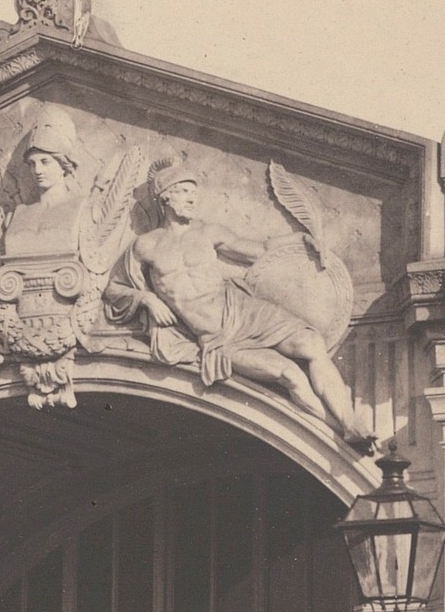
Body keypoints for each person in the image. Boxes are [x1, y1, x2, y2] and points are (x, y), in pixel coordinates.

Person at [111, 157, 366, 438]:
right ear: (165, 196)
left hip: (244, 311)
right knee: (289, 375)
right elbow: (114, 287)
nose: (192, 199)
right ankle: (339, 431)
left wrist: (301, 241)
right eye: (185, 192)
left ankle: (350, 421)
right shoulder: (145, 246)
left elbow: (259, 249)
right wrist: (147, 299)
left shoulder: (208, 232)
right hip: (217, 339)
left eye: (194, 193)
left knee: (311, 343)